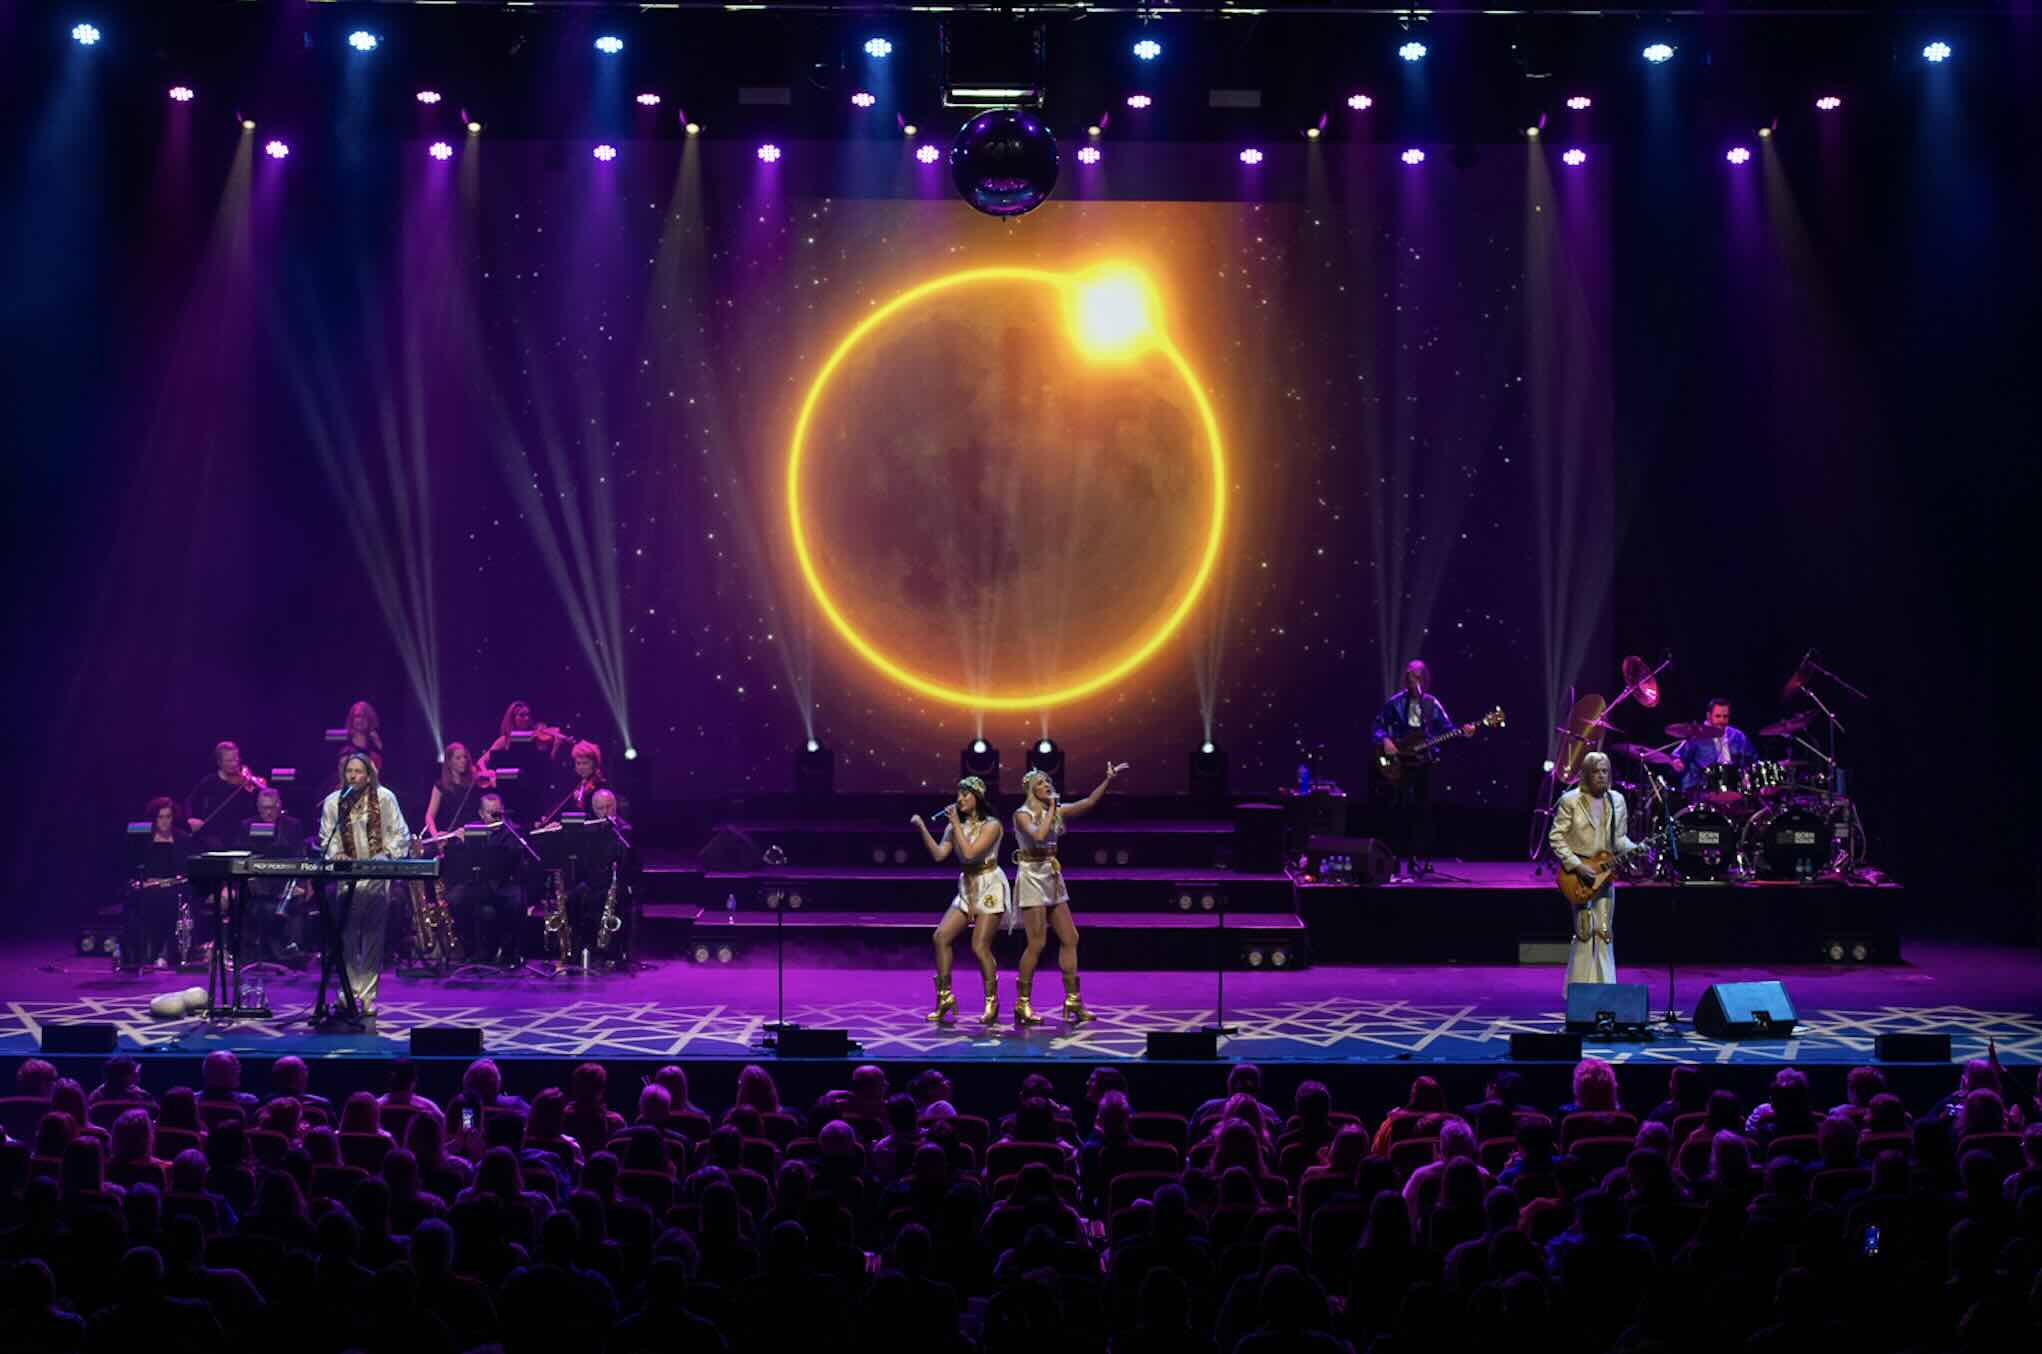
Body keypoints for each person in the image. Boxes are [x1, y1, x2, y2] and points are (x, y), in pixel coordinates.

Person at [1009, 761, 1125, 1026]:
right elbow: (1039, 836)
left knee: (1070, 937)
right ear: (1030, 788)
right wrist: (1052, 807)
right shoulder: (1021, 814)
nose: (1047, 785)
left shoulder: (1056, 810)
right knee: (1037, 943)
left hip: (1051, 875)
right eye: (1041, 782)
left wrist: (1107, 780)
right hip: (1032, 877)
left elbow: (1088, 802)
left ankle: (1073, 1000)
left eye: (1048, 782)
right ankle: (1022, 1003)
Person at [318, 751, 411, 1015]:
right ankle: (347, 992)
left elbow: (400, 833)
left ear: (369, 775)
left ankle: (368, 995)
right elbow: (326, 835)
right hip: (347, 877)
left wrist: (387, 854)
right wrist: (336, 853)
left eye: (358, 771)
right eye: (349, 771)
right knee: (347, 935)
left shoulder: (385, 798)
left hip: (376, 876)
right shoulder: (334, 801)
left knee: (372, 935)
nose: (353, 776)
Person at [912, 777, 1008, 1026]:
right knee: (941, 937)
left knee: (979, 946)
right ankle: (944, 998)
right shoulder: (954, 826)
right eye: (959, 794)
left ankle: (992, 1001)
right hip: (967, 886)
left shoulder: (992, 825)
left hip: (989, 884)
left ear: (978, 797)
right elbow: (939, 855)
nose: (960, 799)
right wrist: (922, 828)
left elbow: (970, 853)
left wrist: (955, 824)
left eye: (966, 794)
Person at [1371, 659, 1475, 882]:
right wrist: (1386, 740)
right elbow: (1377, 726)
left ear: (1424, 679)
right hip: (1399, 764)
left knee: (1422, 811)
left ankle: (1415, 860)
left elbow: (1447, 730)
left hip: (1423, 763)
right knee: (1399, 809)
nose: (1413, 680)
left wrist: (1463, 732)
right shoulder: (1395, 703)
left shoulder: (1431, 704)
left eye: (1417, 676)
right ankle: (1393, 860)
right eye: (1410, 675)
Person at [1547, 750, 1638, 991]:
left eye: (1605, 771)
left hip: (1605, 877)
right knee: (1584, 931)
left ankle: (1606, 989)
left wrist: (1635, 848)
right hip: (1579, 875)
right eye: (1596, 771)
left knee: (1604, 931)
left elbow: (1619, 839)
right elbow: (1556, 837)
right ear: (1586, 774)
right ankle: (1578, 990)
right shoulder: (1570, 800)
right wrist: (1576, 865)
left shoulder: (1616, 801)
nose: (1601, 776)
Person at [444, 792, 530, 966]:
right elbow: (456, 861)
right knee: (454, 898)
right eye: (492, 813)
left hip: (504, 883)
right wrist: (454, 842)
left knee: (517, 901)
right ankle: (470, 950)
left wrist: (474, 843)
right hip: (479, 883)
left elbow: (507, 857)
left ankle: (508, 952)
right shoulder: (472, 829)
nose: (496, 817)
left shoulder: (512, 831)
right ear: (481, 814)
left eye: (499, 812)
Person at [235, 786, 305, 964]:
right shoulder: (246, 826)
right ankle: (266, 955)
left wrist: (300, 884)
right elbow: (241, 858)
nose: (268, 812)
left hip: (286, 882)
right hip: (257, 884)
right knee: (257, 905)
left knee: (297, 902)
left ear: (279, 806)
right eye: (264, 808)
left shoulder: (293, 826)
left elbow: (300, 857)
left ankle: (290, 952)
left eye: (272, 808)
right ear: (258, 808)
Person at [127, 796, 190, 970]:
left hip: (173, 887)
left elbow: (186, 870)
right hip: (147, 886)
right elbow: (133, 865)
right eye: (160, 817)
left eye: (168, 816)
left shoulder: (182, 838)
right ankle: (146, 952)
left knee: (170, 902)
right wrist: (141, 882)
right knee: (144, 901)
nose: (164, 821)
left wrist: (170, 882)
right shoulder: (144, 838)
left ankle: (164, 953)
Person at [185, 740, 269, 851]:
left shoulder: (246, 781)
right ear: (219, 762)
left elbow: (261, 802)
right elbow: (192, 802)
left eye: (236, 759)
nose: (234, 764)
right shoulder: (209, 782)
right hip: (215, 837)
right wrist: (192, 819)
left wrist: (258, 787)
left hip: (243, 837)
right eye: (229, 761)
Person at [1670, 696, 1757, 792]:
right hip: (1704, 788)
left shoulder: (1737, 736)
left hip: (1735, 787)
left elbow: (1752, 759)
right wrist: (1677, 762)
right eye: (1718, 716)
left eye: (1725, 716)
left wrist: (1747, 775)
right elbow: (1676, 756)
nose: (1722, 720)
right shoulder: (1696, 736)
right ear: (1708, 716)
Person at [423, 741, 490, 839]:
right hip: (453, 836)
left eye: (465, 757)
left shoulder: (475, 780)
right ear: (449, 762)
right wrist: (435, 835)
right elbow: (429, 816)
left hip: (475, 833)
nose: (463, 760)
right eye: (458, 758)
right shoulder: (441, 785)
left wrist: (490, 775)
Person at [339, 698, 385, 770]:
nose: (361, 720)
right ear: (352, 719)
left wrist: (379, 747)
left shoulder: (375, 746)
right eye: (357, 716)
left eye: (364, 716)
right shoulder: (342, 742)